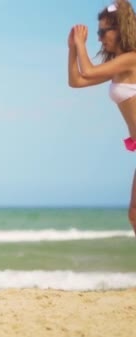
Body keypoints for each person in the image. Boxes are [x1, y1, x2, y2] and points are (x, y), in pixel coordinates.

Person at [68, 0, 136, 236]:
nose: (99, 38)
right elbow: (77, 81)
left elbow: (87, 71)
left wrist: (81, 43)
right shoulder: (117, 66)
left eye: (102, 31)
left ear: (120, 29)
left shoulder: (131, 59)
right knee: (134, 215)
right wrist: (73, 49)